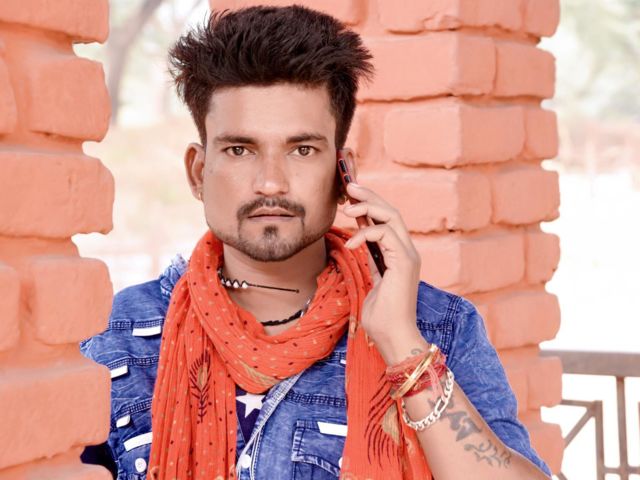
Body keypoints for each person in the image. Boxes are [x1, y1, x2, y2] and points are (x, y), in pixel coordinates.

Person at [80, 5, 553, 480]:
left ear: (343, 175)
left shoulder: (436, 326)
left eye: (302, 150)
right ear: (199, 172)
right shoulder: (121, 335)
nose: (270, 182)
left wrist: (402, 345)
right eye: (240, 150)